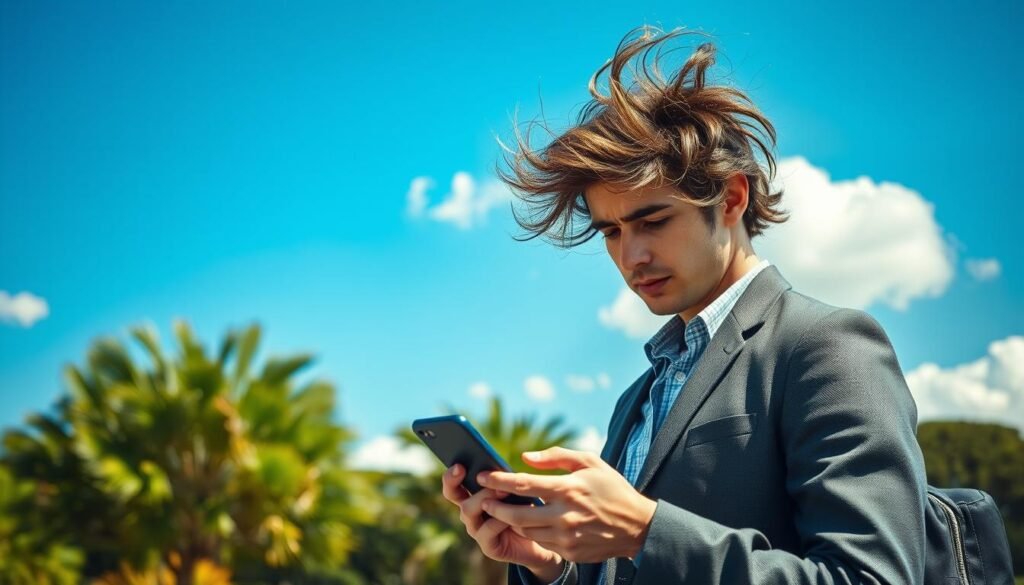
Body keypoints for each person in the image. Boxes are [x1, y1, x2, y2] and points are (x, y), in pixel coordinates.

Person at [441, 26, 927, 585]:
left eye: (653, 221)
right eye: (611, 232)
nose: (632, 255)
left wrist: (646, 530)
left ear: (731, 198)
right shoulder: (639, 395)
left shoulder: (827, 345)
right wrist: (550, 568)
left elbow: (875, 576)